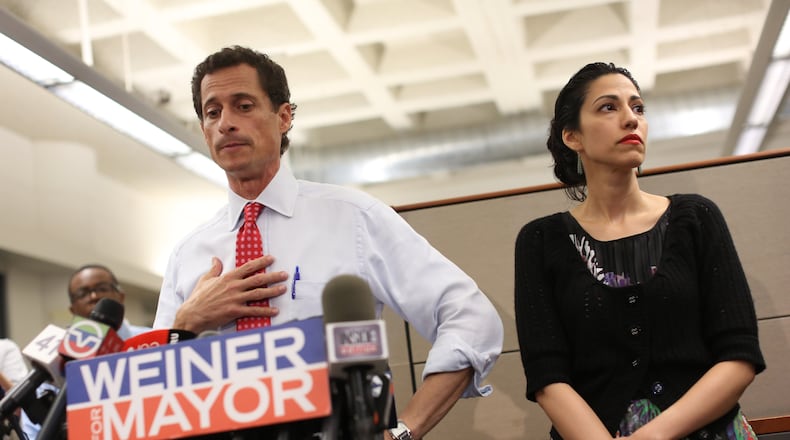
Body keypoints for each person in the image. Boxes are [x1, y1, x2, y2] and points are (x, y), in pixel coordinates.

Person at [152, 45, 503, 439]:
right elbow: (150, 399)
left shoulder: (353, 217)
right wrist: (186, 323)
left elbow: (471, 318)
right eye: (212, 112)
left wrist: (403, 431)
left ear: (284, 116)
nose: (226, 123)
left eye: (244, 105)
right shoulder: (188, 254)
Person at [514, 62, 765, 440]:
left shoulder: (696, 217)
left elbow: (739, 354)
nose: (631, 119)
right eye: (608, 107)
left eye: (638, 107)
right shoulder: (540, 240)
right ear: (572, 137)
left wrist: (654, 436)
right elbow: (548, 375)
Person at [21, 264, 151, 439]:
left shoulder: (153, 340)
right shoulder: (57, 355)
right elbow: (33, 433)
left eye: (102, 288)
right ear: (72, 309)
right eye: (83, 294)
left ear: (120, 297)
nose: (94, 296)